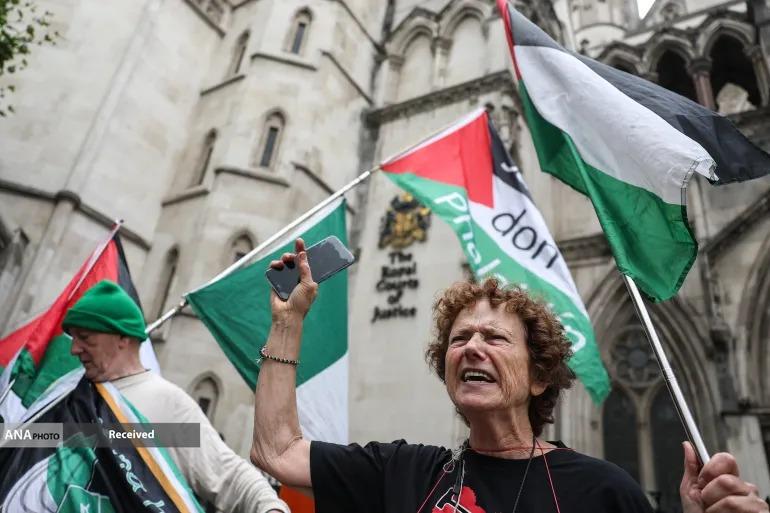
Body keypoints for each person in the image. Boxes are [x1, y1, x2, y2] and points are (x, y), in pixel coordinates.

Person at [251, 238, 769, 513]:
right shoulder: (406, 471)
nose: (471, 346)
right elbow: (277, 451)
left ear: (540, 376)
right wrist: (288, 323)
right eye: (459, 339)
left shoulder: (603, 490)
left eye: (494, 338)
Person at [63, 280, 290, 513]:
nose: (74, 349)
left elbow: (227, 475)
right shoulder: (68, 398)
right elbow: (42, 442)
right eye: (74, 338)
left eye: (85, 337)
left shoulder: (166, 404)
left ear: (122, 338)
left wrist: (270, 508)